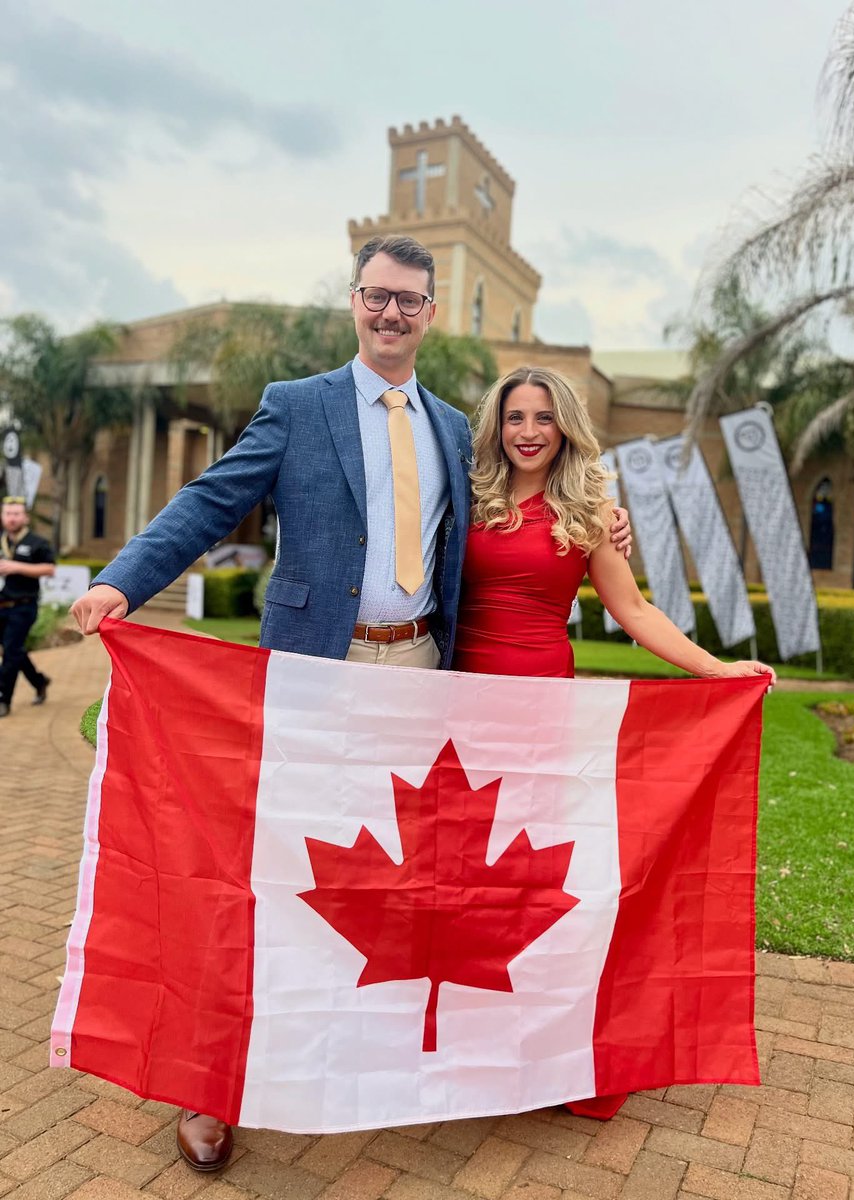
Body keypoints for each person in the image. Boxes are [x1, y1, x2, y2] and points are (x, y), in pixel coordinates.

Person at [70, 233, 636, 1169]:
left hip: (423, 674)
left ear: (430, 314)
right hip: (312, 675)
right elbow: (213, 502)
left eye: (409, 301)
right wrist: (122, 582)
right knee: (267, 871)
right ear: (354, 301)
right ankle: (210, 1085)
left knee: (405, 876)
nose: (390, 314)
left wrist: (607, 511)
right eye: (376, 296)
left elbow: (532, 499)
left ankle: (374, 1056)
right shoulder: (299, 407)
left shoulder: (459, 429)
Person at [453, 364, 775, 1120]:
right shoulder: (465, 494)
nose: (528, 431)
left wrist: (715, 667)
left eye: (542, 417)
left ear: (566, 425)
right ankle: (470, 1041)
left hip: (538, 710)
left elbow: (633, 611)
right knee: (461, 876)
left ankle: (561, 1052)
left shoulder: (590, 511)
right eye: (514, 418)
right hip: (454, 706)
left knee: (538, 880)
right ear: (496, 427)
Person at [0, 497, 55, 719]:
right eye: (8, 513)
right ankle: (39, 681)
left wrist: (16, 566)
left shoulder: (37, 543)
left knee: (11, 652)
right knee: (14, 650)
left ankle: (4, 699)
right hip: (1, 606)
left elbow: (49, 569)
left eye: (16, 514)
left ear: (25, 517)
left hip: (23, 607)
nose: (12, 518)